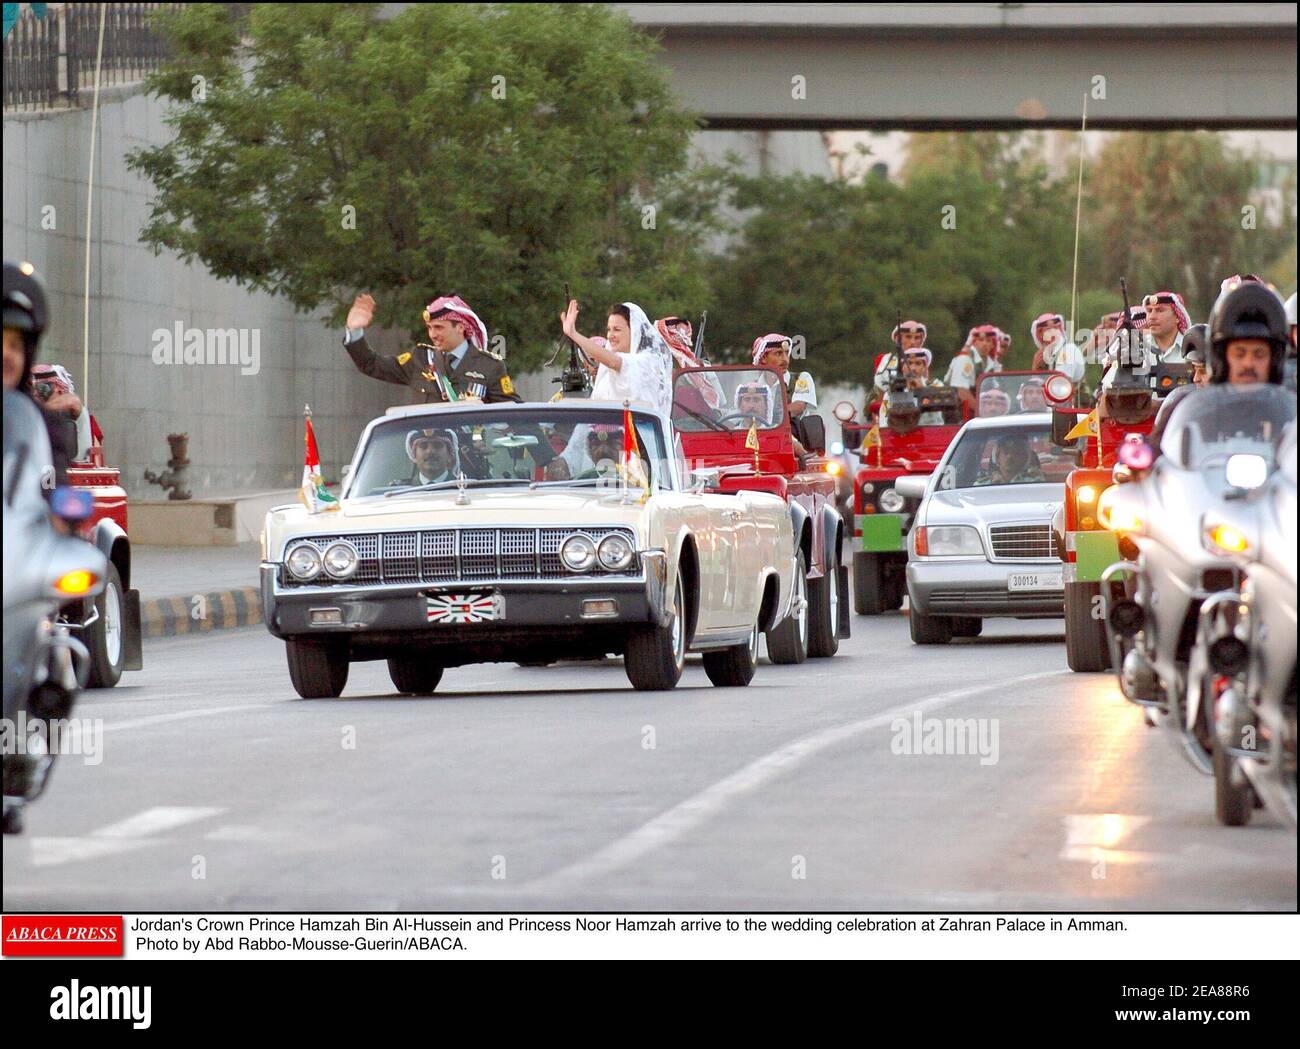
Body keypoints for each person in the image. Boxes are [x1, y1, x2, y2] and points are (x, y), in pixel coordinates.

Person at [1148, 282, 1290, 455]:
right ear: (1221, 357)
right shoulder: (1187, 408)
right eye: (1239, 353)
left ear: (1275, 359)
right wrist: (1139, 470)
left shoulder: (1290, 411)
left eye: (1259, 354)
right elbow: (1155, 459)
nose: (1248, 363)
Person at [343, 292, 519, 404]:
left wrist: (544, 454)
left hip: (471, 458)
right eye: (429, 328)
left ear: (460, 327)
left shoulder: (489, 366)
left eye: (439, 328)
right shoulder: (420, 359)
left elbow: (514, 412)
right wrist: (355, 330)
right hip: (428, 454)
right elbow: (371, 364)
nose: (433, 334)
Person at [3, 260, 76, 490]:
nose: (5, 354)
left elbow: (53, 488)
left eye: (15, 346)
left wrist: (63, 516)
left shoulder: (47, 428)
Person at [1101, 290, 1190, 388]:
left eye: (1160, 310)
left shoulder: (1192, 348)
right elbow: (1108, 386)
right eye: (1149, 311)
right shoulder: (1136, 346)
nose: (1152, 317)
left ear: (1177, 317)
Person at [752, 333, 816, 418]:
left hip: (793, 431)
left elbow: (799, 406)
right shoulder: (754, 386)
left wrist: (770, 419)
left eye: (786, 353)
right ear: (764, 358)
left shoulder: (802, 378)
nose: (785, 359)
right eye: (778, 353)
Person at [873, 319, 927, 401]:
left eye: (917, 337)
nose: (912, 342)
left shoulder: (924, 358)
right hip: (891, 400)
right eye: (908, 337)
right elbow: (884, 383)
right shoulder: (888, 359)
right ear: (898, 339)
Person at [1030, 312, 1085, 383]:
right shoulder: (1046, 356)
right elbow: (1035, 387)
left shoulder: (1068, 350)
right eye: (1048, 330)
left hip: (1076, 393)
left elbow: (1060, 382)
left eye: (1056, 328)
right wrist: (1036, 370)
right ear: (1040, 334)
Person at [974, 434, 1046, 486]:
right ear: (997, 457)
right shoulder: (982, 484)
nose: (1009, 457)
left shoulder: (1035, 482)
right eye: (1006, 452)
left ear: (1024, 458)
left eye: (1015, 453)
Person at [396, 428, 460, 486]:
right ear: (414, 455)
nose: (430, 451)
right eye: (423, 446)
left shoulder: (464, 488)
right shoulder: (400, 490)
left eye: (437, 446)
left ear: (449, 455)